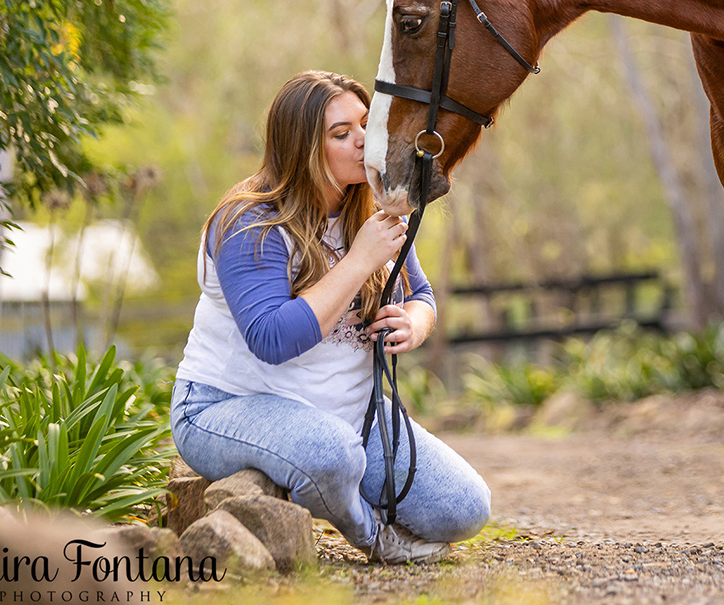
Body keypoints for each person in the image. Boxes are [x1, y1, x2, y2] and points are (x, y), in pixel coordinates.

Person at [170, 71, 489, 564]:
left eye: (366, 123)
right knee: (330, 454)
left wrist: (414, 323)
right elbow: (271, 337)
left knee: (465, 507)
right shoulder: (250, 221)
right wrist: (358, 261)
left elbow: (420, 294)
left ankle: (321, 479)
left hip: (353, 415)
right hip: (225, 407)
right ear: (300, 148)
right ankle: (373, 536)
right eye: (341, 134)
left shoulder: (374, 209)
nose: (364, 140)